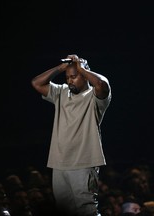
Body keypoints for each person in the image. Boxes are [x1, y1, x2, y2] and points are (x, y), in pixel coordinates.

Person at [31, 54, 112, 216]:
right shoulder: (61, 92)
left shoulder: (94, 97)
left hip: (84, 162)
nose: (69, 81)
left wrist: (81, 67)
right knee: (64, 209)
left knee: (86, 210)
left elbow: (102, 84)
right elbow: (36, 83)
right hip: (59, 162)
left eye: (74, 77)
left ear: (85, 75)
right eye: (67, 77)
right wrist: (61, 68)